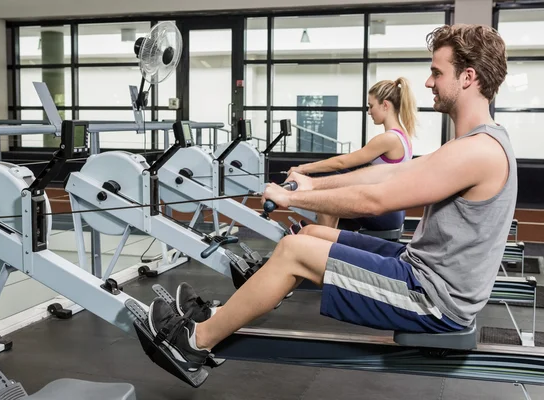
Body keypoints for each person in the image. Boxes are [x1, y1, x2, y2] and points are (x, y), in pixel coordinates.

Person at [148, 24, 516, 370]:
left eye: (437, 72)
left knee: (294, 252)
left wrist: (295, 201)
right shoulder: (472, 143)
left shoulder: (479, 150)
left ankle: (193, 343)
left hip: (432, 298)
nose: (429, 81)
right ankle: (224, 315)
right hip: (419, 267)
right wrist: (313, 185)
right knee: (307, 236)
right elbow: (392, 171)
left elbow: (376, 201)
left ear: (468, 77)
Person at [288, 77, 418, 230]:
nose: (369, 112)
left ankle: (320, 238)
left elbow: (343, 162)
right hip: (393, 210)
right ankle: (323, 232)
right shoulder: (403, 136)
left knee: (328, 187)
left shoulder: (388, 139)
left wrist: (302, 169)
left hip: (386, 213)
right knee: (337, 176)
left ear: (385, 105)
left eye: (371, 106)